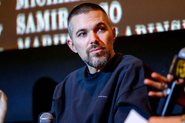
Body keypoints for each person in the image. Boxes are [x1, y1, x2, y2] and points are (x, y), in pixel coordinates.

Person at [50, 2, 158, 123]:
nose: (93, 39)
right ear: (72, 45)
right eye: (82, 34)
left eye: (100, 29)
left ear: (113, 34)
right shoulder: (64, 88)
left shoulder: (130, 70)